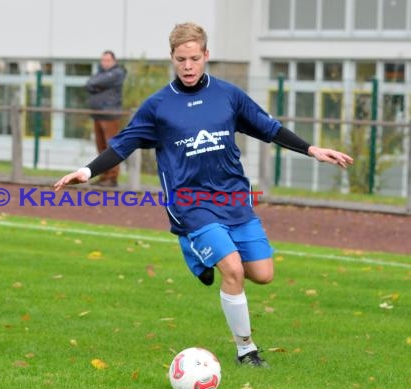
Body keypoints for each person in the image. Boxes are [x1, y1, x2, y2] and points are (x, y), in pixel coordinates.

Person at [55, 23, 353, 367]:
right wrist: (87, 171)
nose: (188, 66)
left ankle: (196, 256)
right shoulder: (158, 106)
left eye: (194, 58)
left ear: (206, 56)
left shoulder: (228, 95)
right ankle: (246, 351)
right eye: (181, 59)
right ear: (172, 58)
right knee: (232, 271)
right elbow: (123, 144)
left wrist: (312, 149)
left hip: (234, 200)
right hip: (190, 203)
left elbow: (269, 128)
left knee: (263, 274)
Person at [85, 50, 127, 187]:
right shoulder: (100, 73)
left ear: (114, 61)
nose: (105, 63)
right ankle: (103, 176)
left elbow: (95, 82)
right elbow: (89, 83)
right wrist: (97, 84)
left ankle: (112, 178)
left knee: (112, 148)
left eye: (108, 60)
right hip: (97, 114)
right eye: (103, 60)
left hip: (110, 114)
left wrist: (96, 84)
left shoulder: (117, 73)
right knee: (101, 148)